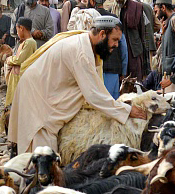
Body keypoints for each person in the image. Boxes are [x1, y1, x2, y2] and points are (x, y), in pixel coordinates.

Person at [8, 16, 147, 153]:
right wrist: (127, 110)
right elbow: (94, 95)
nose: (117, 45)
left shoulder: (86, 44)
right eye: (115, 40)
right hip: (36, 97)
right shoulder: (82, 52)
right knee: (43, 155)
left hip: (44, 91)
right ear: (102, 34)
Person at [4, 17, 37, 109]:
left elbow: (19, 60)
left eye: (17, 29)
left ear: (21, 28)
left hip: (20, 77)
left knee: (17, 104)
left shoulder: (30, 42)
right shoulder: (25, 42)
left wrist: (9, 59)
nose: (17, 32)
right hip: (16, 76)